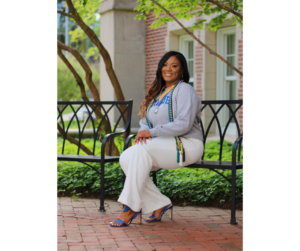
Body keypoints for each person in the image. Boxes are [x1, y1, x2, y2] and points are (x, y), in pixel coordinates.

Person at [110, 51, 204, 227]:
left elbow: (183, 124)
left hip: (188, 145)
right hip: (164, 147)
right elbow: (146, 123)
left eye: (174, 66)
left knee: (138, 151)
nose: (168, 69)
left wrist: (151, 134)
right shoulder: (158, 93)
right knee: (126, 157)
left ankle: (130, 207)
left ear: (182, 70)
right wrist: (145, 133)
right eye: (165, 65)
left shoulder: (184, 90)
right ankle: (160, 203)